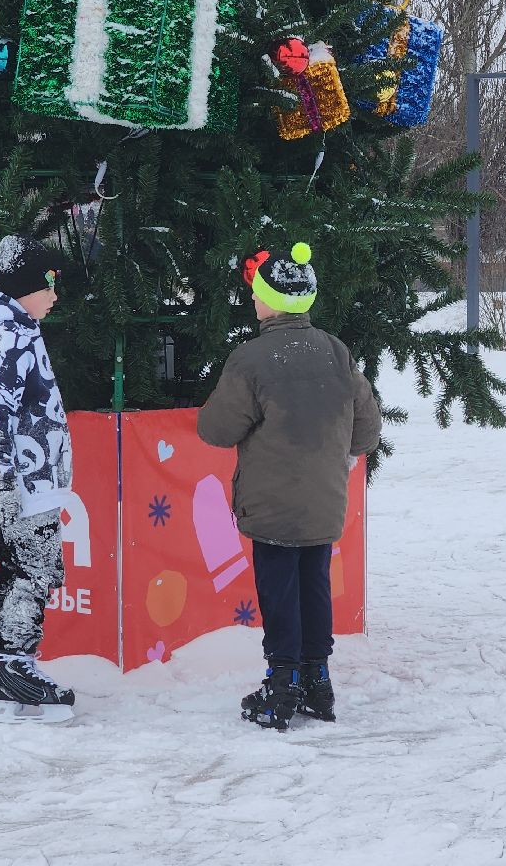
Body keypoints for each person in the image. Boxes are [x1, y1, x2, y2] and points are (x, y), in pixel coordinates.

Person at [197, 241, 382, 731]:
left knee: (279, 589)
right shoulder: (336, 352)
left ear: (273, 300)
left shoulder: (252, 358)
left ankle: (281, 685)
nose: (252, 301)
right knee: (314, 585)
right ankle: (318, 680)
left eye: (257, 294)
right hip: (323, 503)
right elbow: (366, 429)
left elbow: (216, 429)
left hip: (272, 503)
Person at [0, 235, 79, 724]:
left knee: (14, 569)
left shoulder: (12, 329)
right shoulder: (10, 337)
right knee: (34, 571)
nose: (54, 295)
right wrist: (7, 486)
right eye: (48, 284)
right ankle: (15, 665)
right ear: (25, 286)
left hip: (28, 481)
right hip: (26, 486)